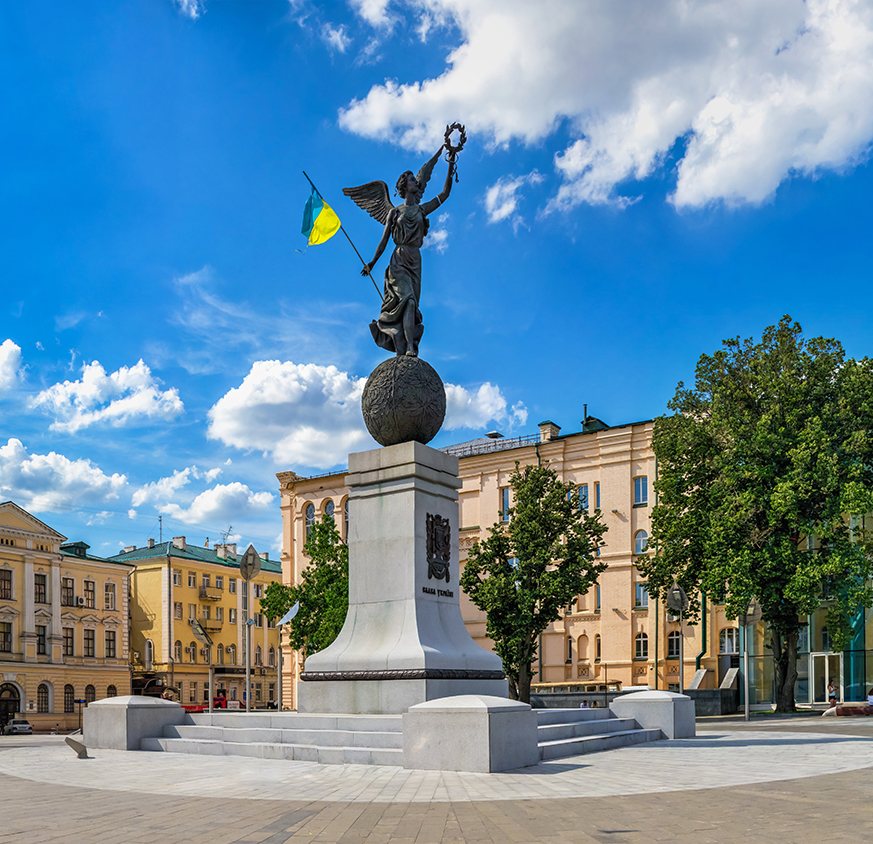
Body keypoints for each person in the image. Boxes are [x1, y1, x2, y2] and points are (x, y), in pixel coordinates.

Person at [347, 143, 457, 358]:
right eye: (413, 180)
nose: (417, 182)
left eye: (416, 179)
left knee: (412, 305)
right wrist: (372, 262)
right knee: (408, 299)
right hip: (399, 260)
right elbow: (384, 240)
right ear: (405, 186)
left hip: (415, 259)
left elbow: (444, 194)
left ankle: (405, 343)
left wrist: (450, 162)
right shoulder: (394, 213)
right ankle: (409, 348)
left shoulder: (420, 209)